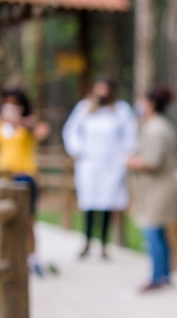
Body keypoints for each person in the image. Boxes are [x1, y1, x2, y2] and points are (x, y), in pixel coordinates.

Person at [62, 78, 137, 259]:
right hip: (89, 163)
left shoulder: (121, 110)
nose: (102, 92)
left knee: (107, 204)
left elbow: (130, 134)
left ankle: (104, 244)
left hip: (111, 164)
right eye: (99, 88)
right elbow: (71, 130)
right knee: (89, 203)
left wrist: (126, 155)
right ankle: (87, 241)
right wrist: (76, 150)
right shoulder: (84, 108)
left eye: (105, 88)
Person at [126, 85, 177, 293]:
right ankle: (164, 275)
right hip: (155, 190)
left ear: (150, 104)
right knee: (159, 234)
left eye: (142, 102)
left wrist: (131, 161)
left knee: (153, 233)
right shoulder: (157, 125)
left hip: (158, 190)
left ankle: (158, 277)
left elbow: (152, 161)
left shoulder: (156, 128)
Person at [0, 87, 51, 276]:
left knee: (28, 221)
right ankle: (8, 258)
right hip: (3, 177)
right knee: (3, 220)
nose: (10, 107)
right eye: (8, 103)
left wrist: (18, 121)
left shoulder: (28, 125)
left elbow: (41, 131)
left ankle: (32, 259)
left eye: (15, 104)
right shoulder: (0, 127)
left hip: (25, 177)